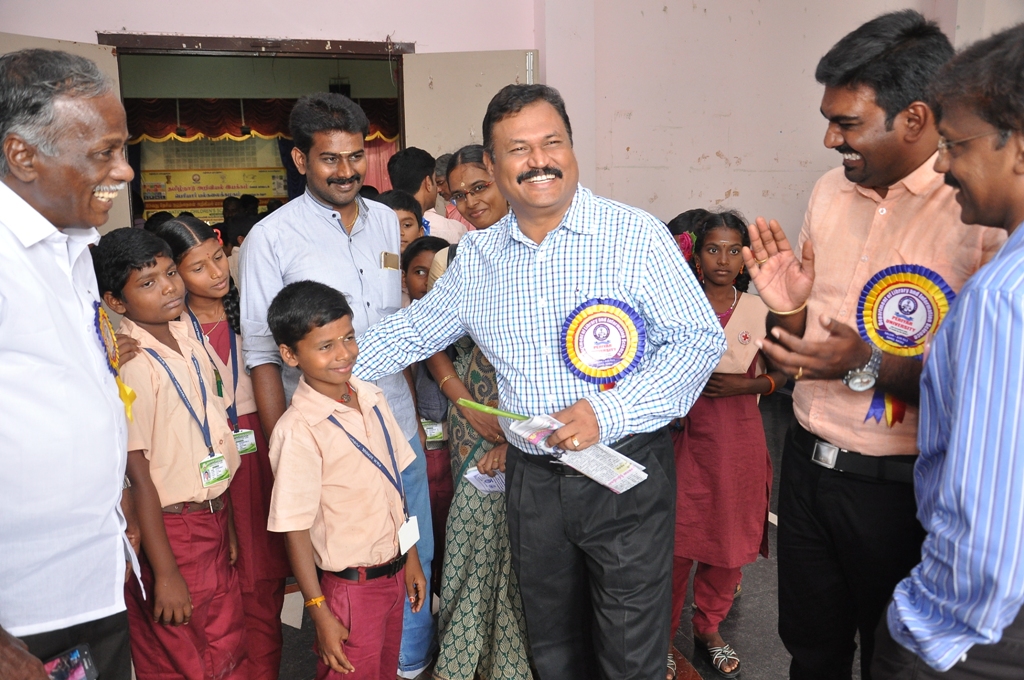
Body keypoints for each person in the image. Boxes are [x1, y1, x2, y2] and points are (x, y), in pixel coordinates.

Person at [355, 84, 725, 680]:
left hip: (623, 470)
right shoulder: (479, 258)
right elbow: (414, 332)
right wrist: (329, 364)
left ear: (572, 147)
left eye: (551, 143)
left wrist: (609, 412)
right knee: (552, 648)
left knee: (630, 652)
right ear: (494, 164)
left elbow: (698, 340)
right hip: (533, 482)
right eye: (518, 149)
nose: (539, 161)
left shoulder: (633, 235)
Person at [742, 11, 1006, 680]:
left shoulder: (978, 211)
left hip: (902, 494)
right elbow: (805, 344)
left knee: (892, 659)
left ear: (914, 119)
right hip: (807, 469)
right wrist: (787, 306)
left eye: (847, 123)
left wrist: (866, 361)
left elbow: (982, 384)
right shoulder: (829, 193)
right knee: (811, 652)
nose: (830, 139)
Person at [239, 91, 436, 679]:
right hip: (327, 444)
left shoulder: (385, 221)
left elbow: (395, 326)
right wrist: (282, 451)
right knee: (353, 579)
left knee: (413, 556)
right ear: (301, 160)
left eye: (355, 157)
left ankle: (409, 666)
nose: (347, 171)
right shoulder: (271, 238)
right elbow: (262, 355)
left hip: (394, 424)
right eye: (330, 158)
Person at [871, 23, 1024, 679]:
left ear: (1018, 147)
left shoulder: (1002, 296)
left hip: (976, 637)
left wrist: (926, 630)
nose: (941, 165)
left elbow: (990, 532)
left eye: (954, 144)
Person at [0, 48, 136, 680]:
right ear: (22, 155)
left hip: (90, 584)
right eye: (103, 153)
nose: (124, 170)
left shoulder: (73, 245)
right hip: (19, 617)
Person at [93, 227, 246, 680]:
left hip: (211, 516)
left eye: (170, 273)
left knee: (225, 644)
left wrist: (226, 521)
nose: (168, 288)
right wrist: (164, 573)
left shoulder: (189, 338)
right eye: (148, 282)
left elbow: (211, 439)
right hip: (172, 529)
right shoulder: (133, 364)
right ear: (116, 301)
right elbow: (137, 473)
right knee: (181, 656)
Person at [265, 281, 427, 680]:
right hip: (351, 591)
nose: (344, 353)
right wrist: (318, 610)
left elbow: (395, 488)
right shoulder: (298, 431)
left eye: (349, 337)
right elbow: (294, 530)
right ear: (290, 355)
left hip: (394, 574)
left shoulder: (371, 396)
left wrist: (411, 557)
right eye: (326, 346)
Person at [152, 217, 291, 679]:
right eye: (198, 268)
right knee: (219, 587)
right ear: (175, 273)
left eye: (218, 258)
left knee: (263, 581)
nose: (216, 273)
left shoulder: (252, 314)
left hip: (257, 453)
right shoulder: (167, 330)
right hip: (204, 459)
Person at [422, 144, 533, 680]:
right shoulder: (453, 261)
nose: (469, 202)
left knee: (524, 551)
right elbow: (432, 341)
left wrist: (516, 437)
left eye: (479, 187)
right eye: (458, 195)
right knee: (471, 544)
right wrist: (463, 401)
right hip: (471, 419)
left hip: (538, 426)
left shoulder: (544, 255)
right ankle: (463, 662)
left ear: (504, 180)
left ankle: (514, 664)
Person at [666, 210, 783, 678]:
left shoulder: (759, 310)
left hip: (737, 441)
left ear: (746, 258)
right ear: (697, 254)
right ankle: (661, 636)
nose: (723, 259)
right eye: (713, 248)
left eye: (734, 250)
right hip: (683, 437)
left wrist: (748, 386)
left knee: (729, 541)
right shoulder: (678, 304)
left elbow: (785, 372)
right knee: (675, 543)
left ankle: (708, 626)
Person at [387, 146, 466, 244]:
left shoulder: (384, 227)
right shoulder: (456, 231)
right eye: (436, 182)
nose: (438, 189)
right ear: (428, 183)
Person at [434, 153, 474, 231]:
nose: (438, 190)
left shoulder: (470, 206)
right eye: (436, 185)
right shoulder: (451, 209)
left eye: (440, 183)